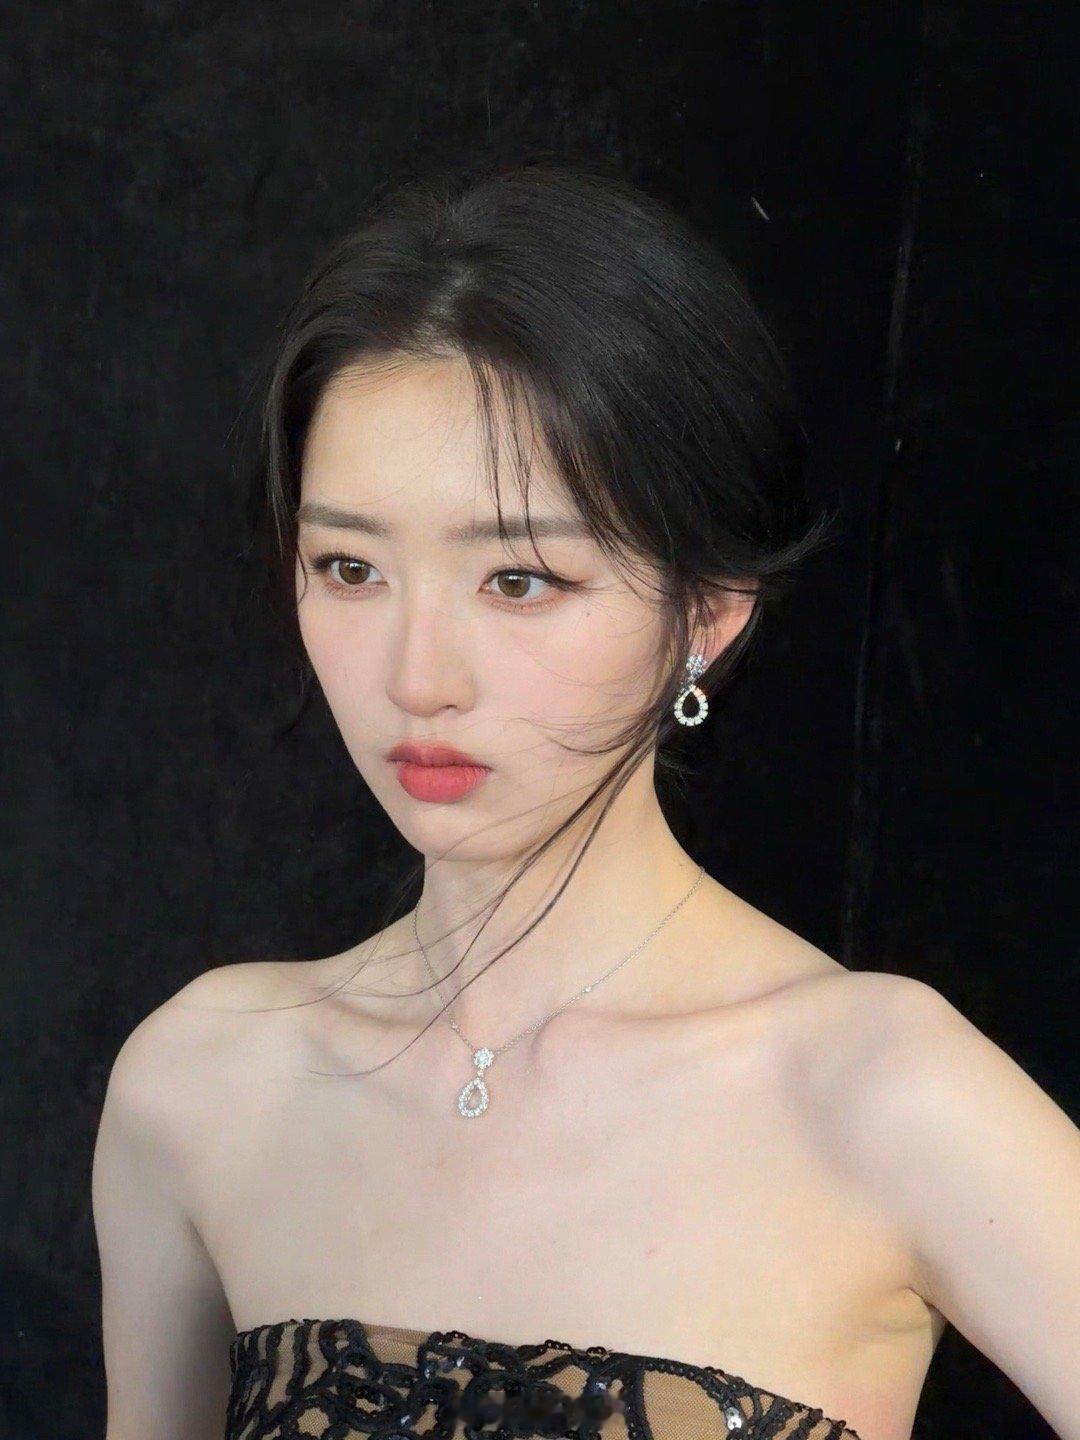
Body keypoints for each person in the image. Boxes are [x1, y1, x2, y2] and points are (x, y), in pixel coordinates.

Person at [92, 160, 1080, 1440]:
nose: (417, 679)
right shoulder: (203, 1085)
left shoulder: (878, 1093)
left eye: (519, 580)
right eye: (350, 568)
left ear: (704, 616)